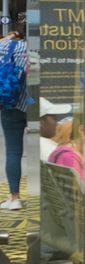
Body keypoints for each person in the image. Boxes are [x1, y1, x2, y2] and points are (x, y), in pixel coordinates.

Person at [0, 16, 27, 210]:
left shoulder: (4, 47)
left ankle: (14, 198)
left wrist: (9, 36)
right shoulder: (32, 49)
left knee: (13, 151)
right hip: (37, 104)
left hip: (11, 104)